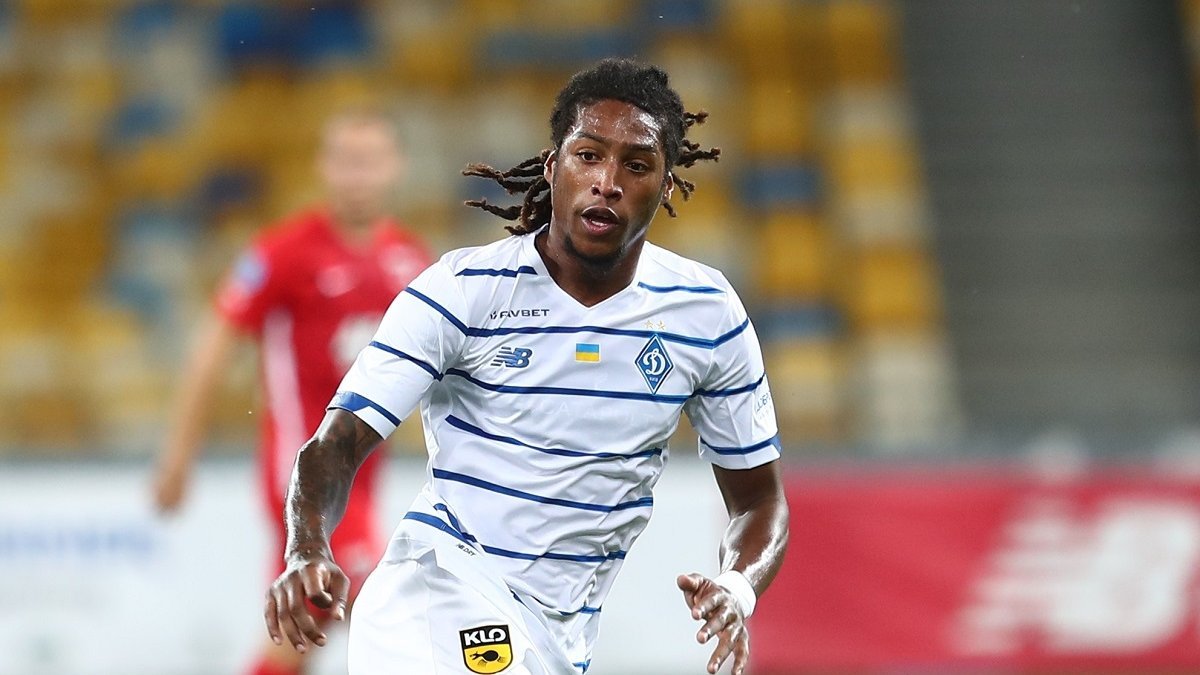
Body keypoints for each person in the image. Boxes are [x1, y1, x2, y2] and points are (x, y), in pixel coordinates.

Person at [263, 59, 789, 675]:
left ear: (666, 185)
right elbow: (336, 443)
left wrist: (738, 587)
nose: (607, 182)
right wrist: (305, 547)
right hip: (439, 592)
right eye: (588, 156)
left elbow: (759, 500)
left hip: (558, 637)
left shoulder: (706, 313)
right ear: (552, 167)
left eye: (636, 165)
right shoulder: (463, 290)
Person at [153, 108, 433, 675]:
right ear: (324, 166)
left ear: (395, 167)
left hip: (360, 479)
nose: (357, 175)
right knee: (393, 611)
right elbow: (213, 346)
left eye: (369, 161)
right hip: (302, 472)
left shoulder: (411, 260)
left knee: (299, 633)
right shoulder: (283, 252)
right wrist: (178, 457)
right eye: (346, 161)